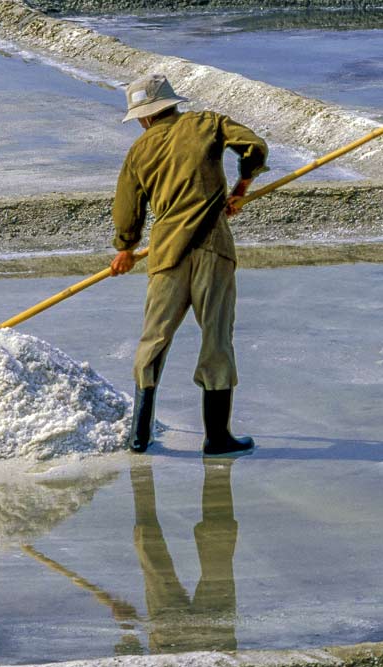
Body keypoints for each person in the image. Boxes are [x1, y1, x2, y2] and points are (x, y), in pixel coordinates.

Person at [109, 73, 268, 456]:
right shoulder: (207, 123)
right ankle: (217, 437)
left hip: (166, 253)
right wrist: (242, 186)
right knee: (216, 337)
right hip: (212, 247)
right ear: (170, 103)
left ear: (146, 116)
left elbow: (127, 209)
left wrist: (126, 248)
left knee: (154, 338)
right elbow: (255, 147)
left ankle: (139, 436)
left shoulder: (139, 151)